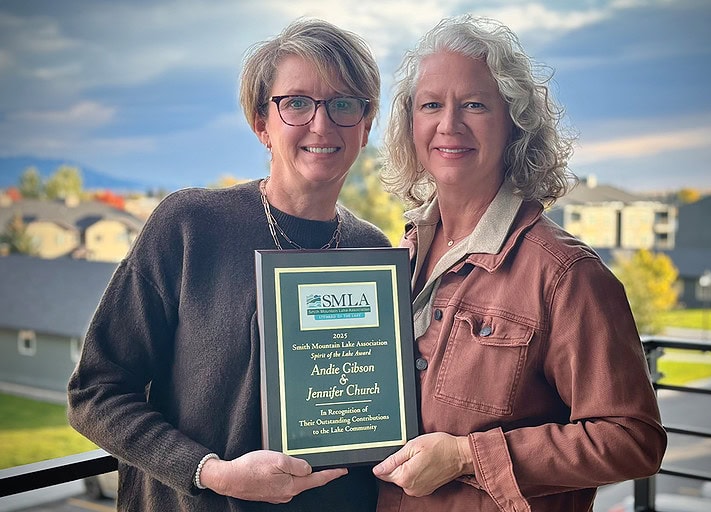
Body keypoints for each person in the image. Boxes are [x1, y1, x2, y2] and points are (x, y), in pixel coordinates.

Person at [68, 18, 389, 511]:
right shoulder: (190, 225)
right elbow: (96, 392)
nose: (321, 124)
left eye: (344, 104)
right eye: (296, 103)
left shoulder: (371, 253)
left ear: (365, 127)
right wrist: (211, 473)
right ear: (262, 122)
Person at [372, 14, 667, 512]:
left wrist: (468, 456)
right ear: (411, 125)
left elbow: (632, 438)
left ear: (514, 124)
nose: (449, 124)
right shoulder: (397, 259)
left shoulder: (565, 275)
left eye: (474, 105)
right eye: (431, 105)